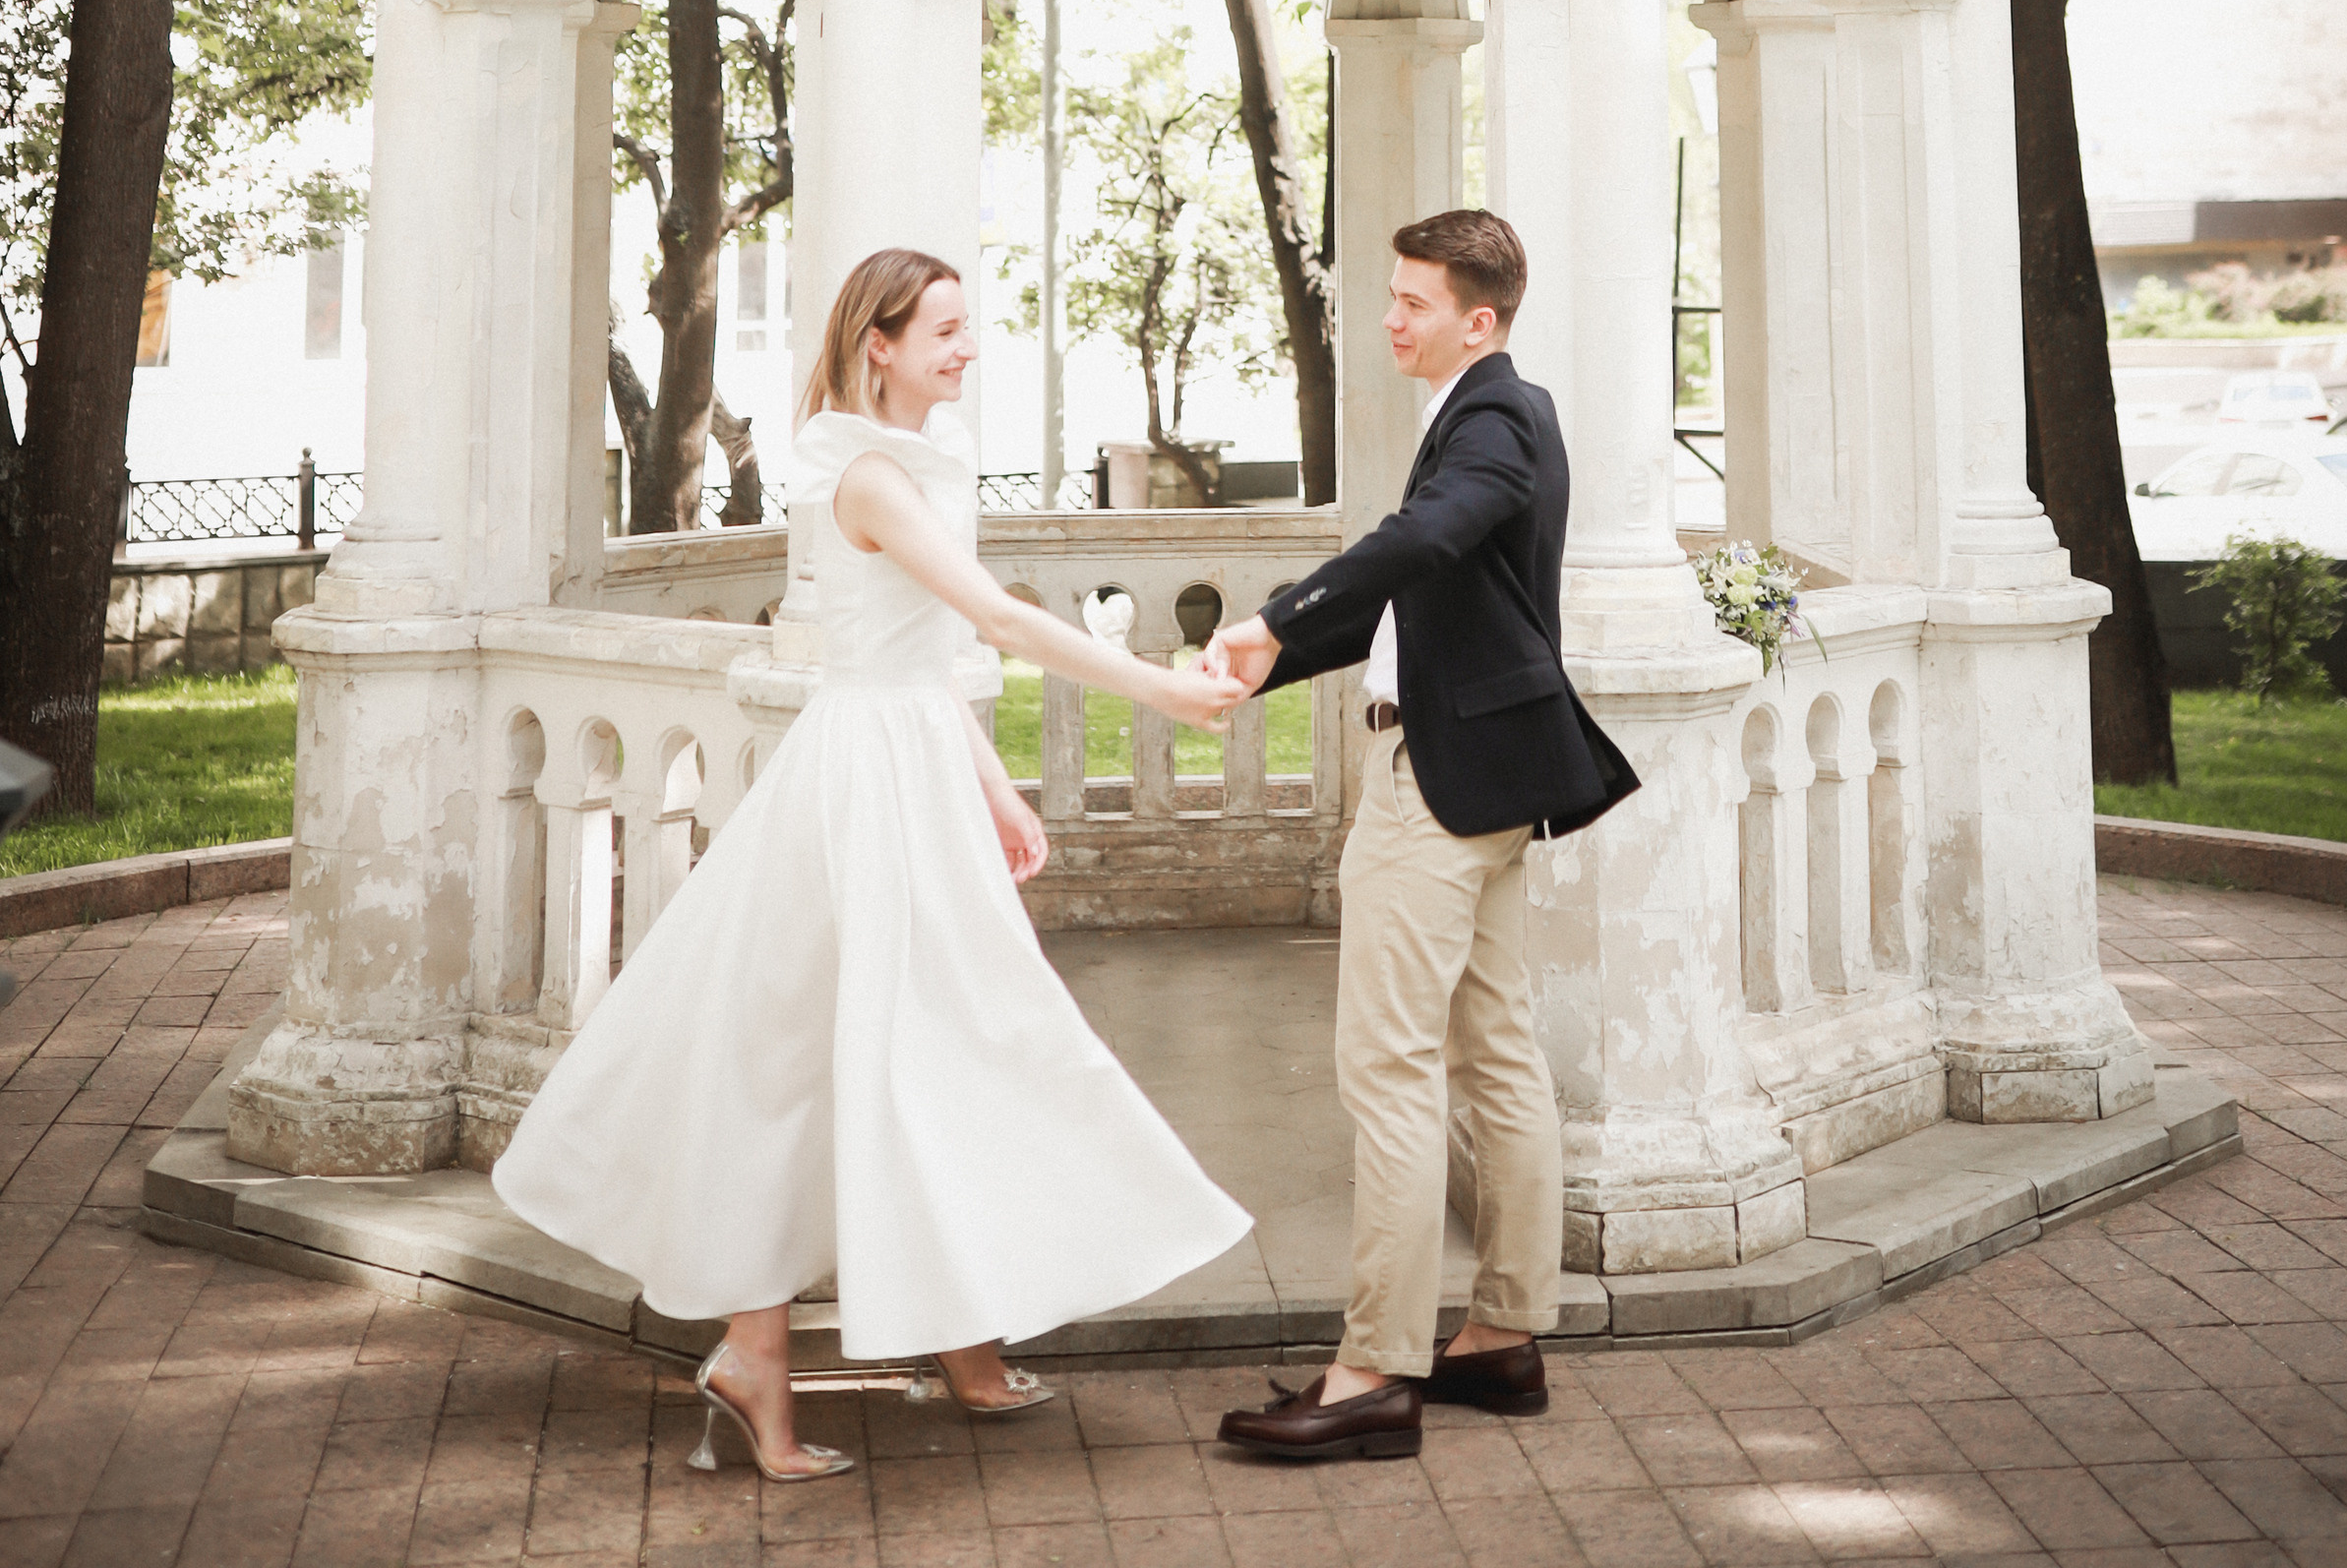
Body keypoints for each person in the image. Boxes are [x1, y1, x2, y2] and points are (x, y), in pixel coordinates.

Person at [493, 247, 1249, 1480]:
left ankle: (952, 1337)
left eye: (967, 326)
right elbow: (1000, 623)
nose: (966, 346)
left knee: (933, 1042)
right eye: (943, 329)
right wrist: (1163, 684)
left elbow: (927, 648)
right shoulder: (869, 475)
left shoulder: (904, 468)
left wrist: (990, 780)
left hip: (907, 759)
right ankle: (768, 1363)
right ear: (878, 343)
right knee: (826, 1058)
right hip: (863, 785)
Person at [1207, 210, 1638, 1468]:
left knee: (1387, 1068)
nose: (1389, 316)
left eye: (1411, 301)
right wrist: (1275, 654)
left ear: (1479, 318)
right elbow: (1427, 589)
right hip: (1490, 774)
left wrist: (1281, 610)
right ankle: (1500, 1337)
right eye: (1389, 296)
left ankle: (1371, 1372)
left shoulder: (1495, 421)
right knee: (1494, 1052)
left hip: (1439, 788)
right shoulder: (1483, 415)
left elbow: (1430, 538)